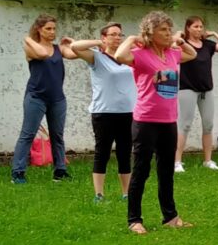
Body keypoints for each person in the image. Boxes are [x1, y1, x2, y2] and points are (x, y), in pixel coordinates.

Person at [115, 11, 197, 234]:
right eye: (163, 30)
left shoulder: (172, 53)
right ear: (150, 33)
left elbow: (192, 54)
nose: (168, 33)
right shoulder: (140, 54)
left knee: (166, 172)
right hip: (145, 121)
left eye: (169, 29)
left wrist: (179, 41)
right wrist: (132, 39)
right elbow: (120, 56)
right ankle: (134, 220)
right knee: (141, 170)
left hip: (169, 121)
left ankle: (170, 217)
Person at [70, 24, 137, 202]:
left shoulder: (127, 57)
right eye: (112, 35)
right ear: (104, 37)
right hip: (104, 113)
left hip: (128, 112)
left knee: (125, 152)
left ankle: (126, 193)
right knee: (103, 152)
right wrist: (99, 42)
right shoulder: (97, 57)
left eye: (119, 34)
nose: (117, 37)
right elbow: (75, 47)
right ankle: (99, 194)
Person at [10, 14, 77, 184]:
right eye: (48, 28)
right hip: (36, 97)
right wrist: (28, 38)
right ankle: (18, 172)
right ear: (39, 29)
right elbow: (41, 53)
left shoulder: (58, 49)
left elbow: (74, 54)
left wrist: (73, 42)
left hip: (57, 99)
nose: (52, 32)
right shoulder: (31, 48)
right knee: (28, 134)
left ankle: (60, 171)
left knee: (58, 135)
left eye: (54, 28)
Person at [174, 16, 218, 173]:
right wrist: (180, 34)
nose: (199, 29)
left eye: (201, 26)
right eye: (195, 26)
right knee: (185, 125)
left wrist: (214, 33)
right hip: (187, 88)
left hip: (206, 90)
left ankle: (208, 160)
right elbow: (171, 46)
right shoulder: (183, 44)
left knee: (208, 125)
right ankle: (177, 162)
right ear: (188, 28)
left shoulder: (208, 45)